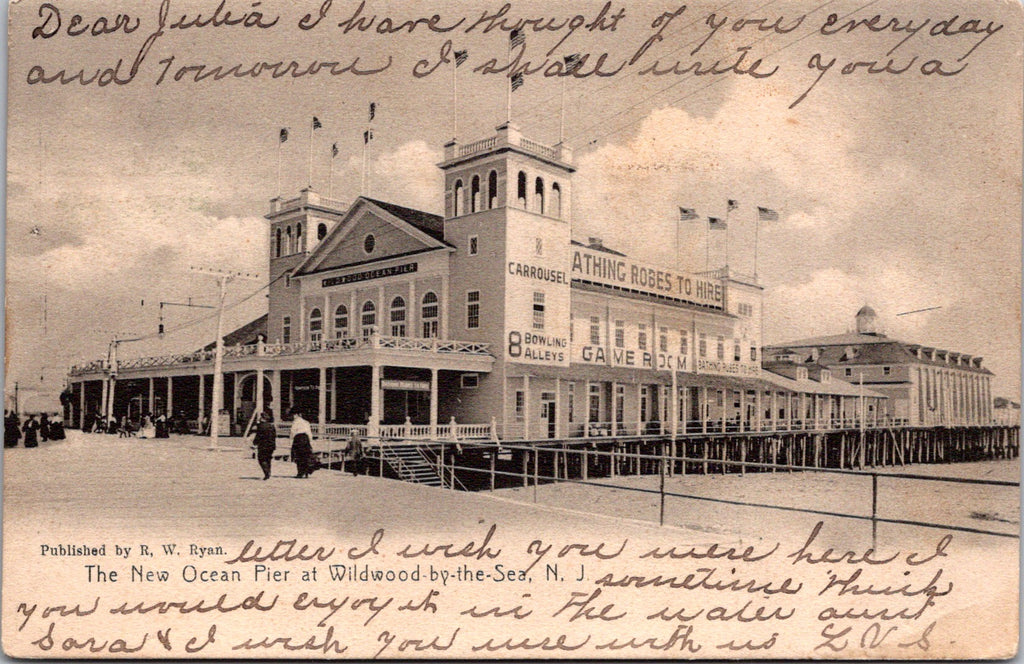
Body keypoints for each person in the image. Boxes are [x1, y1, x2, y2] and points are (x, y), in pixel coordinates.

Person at [289, 409, 316, 478]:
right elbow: (309, 433)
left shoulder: (295, 422)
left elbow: (292, 432)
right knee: (306, 456)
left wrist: (291, 441)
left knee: (299, 456)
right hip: (306, 439)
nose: (293, 416)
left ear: (297, 415)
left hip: (298, 439)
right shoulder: (306, 422)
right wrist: (310, 442)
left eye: (294, 415)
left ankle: (300, 473)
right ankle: (306, 472)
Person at [252, 411, 277, 480]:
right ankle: (269, 471)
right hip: (271, 445)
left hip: (263, 445)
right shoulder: (272, 426)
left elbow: (258, 436)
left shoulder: (260, 426)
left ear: (262, 418)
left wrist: (254, 443)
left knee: (262, 459)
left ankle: (266, 472)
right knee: (268, 459)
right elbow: (274, 435)